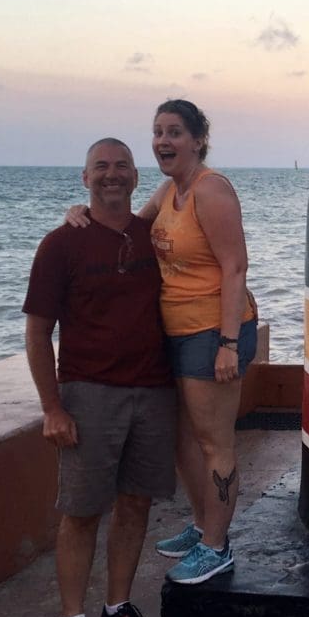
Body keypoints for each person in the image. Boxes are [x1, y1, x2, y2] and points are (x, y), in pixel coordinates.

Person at [67, 99, 258, 585]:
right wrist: (81, 215)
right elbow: (130, 225)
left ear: (197, 140)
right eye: (157, 132)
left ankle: (217, 546)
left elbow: (235, 267)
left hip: (215, 330)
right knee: (182, 439)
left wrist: (229, 344)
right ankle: (202, 526)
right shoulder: (171, 191)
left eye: (174, 132)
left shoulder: (211, 191)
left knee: (214, 442)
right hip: (175, 330)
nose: (163, 141)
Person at [25, 138, 175, 617]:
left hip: (154, 393)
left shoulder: (151, 236)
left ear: (136, 177)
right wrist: (52, 407)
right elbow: (39, 332)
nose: (112, 175)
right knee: (82, 512)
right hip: (88, 394)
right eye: (101, 167)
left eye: (121, 167)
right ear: (84, 177)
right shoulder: (60, 244)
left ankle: (116, 609)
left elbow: (188, 199)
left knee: (136, 504)